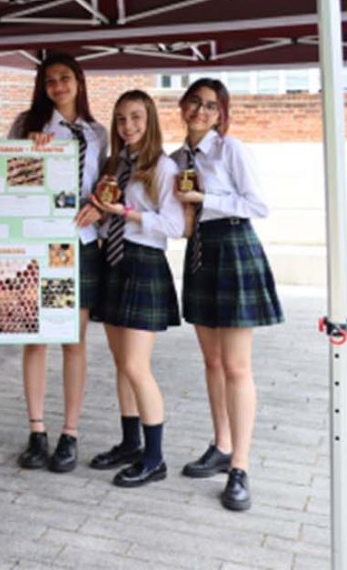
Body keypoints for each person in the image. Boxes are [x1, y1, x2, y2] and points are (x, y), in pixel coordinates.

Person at [170, 79, 282, 511]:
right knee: (212, 361)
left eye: (211, 106)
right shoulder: (176, 159)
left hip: (235, 247)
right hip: (200, 252)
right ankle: (220, 444)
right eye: (195, 102)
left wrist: (205, 197)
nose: (201, 111)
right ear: (182, 106)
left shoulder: (231, 150)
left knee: (236, 366)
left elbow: (258, 205)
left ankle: (240, 466)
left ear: (220, 114)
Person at [8, 53, 107, 473]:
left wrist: (101, 209)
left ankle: (70, 433)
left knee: (73, 339)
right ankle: (37, 431)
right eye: (50, 81)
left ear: (79, 82)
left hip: (80, 243)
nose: (59, 87)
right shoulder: (26, 126)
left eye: (65, 78)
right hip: (35, 241)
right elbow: (8, 180)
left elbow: (108, 186)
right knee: (35, 336)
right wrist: (33, 157)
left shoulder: (98, 133)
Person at [86, 90, 184, 488]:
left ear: (151, 120)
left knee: (135, 366)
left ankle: (155, 457)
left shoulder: (161, 166)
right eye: (122, 118)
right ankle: (130, 444)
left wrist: (126, 213)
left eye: (136, 118)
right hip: (112, 261)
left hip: (143, 263)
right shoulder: (115, 162)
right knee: (120, 363)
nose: (128, 126)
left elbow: (175, 227)